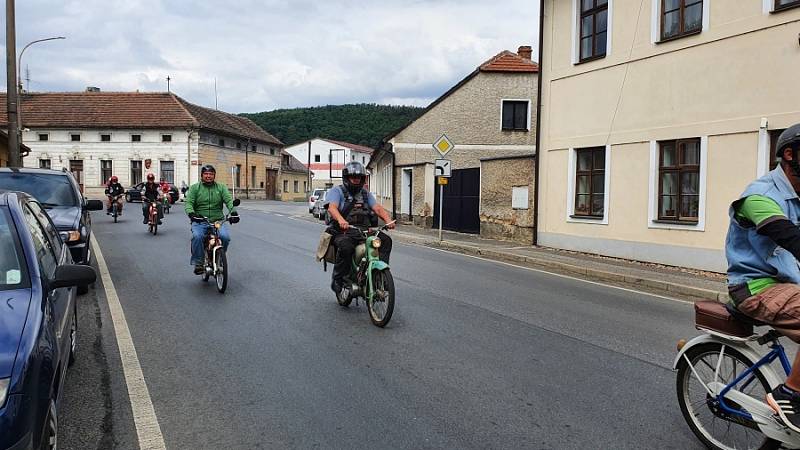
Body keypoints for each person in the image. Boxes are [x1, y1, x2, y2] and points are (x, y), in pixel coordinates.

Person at [727, 123, 800, 432]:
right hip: (756, 288)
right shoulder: (760, 195)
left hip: (788, 285)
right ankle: (791, 394)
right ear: (789, 154)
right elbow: (788, 236)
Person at [326, 161, 395, 295]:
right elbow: (332, 208)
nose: (356, 180)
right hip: (344, 231)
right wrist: (341, 220)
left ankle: (380, 275)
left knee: (386, 241)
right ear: (346, 178)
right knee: (346, 247)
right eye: (353, 177)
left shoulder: (365, 194)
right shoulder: (337, 191)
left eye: (359, 178)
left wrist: (388, 220)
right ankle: (338, 278)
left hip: (364, 231)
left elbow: (377, 208)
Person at [185, 164, 239, 274]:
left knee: (225, 237)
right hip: (200, 220)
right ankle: (199, 263)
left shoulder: (221, 187)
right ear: (201, 175)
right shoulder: (195, 188)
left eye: (211, 174)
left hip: (217, 220)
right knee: (197, 236)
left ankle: (220, 256)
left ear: (214, 176)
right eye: (206, 174)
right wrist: (191, 214)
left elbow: (229, 200)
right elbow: (189, 203)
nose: (208, 176)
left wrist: (233, 213)